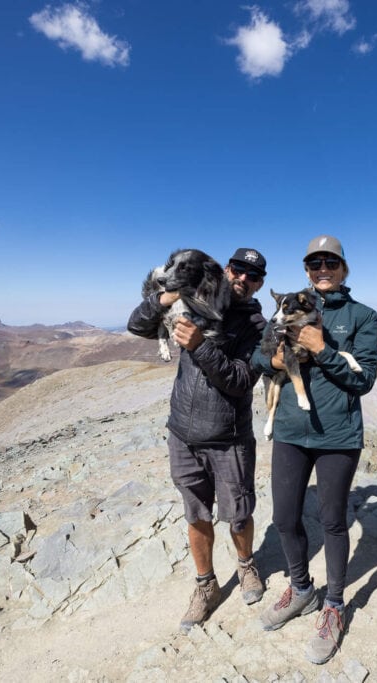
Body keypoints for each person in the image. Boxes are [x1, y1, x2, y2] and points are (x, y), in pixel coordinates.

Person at [251, 235, 377, 664]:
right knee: (285, 517)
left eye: (330, 262)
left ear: (343, 268)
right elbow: (257, 356)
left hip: (338, 436)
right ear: (307, 270)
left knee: (332, 522)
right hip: (289, 430)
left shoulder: (363, 316)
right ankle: (302, 589)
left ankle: (335, 606)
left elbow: (363, 381)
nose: (322, 268)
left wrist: (322, 347)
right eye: (314, 263)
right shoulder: (288, 307)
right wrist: (271, 361)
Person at [127, 247, 269, 633]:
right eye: (237, 270)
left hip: (229, 438)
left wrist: (199, 346)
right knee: (196, 514)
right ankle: (205, 586)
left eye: (252, 276)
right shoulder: (196, 300)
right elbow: (137, 325)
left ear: (260, 284)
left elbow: (241, 381)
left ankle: (246, 566)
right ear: (226, 269)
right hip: (183, 434)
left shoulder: (257, 325)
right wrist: (169, 295)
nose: (242, 279)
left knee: (238, 514)